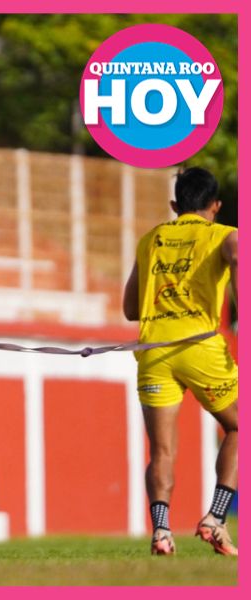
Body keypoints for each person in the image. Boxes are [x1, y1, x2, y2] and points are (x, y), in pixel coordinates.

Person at [123, 166, 238, 557]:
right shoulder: (224, 234)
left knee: (162, 450)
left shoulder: (150, 239)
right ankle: (215, 518)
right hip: (201, 347)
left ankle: (161, 531)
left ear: (175, 205)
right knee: (240, 426)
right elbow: (238, 256)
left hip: (154, 351)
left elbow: (130, 309)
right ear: (216, 206)